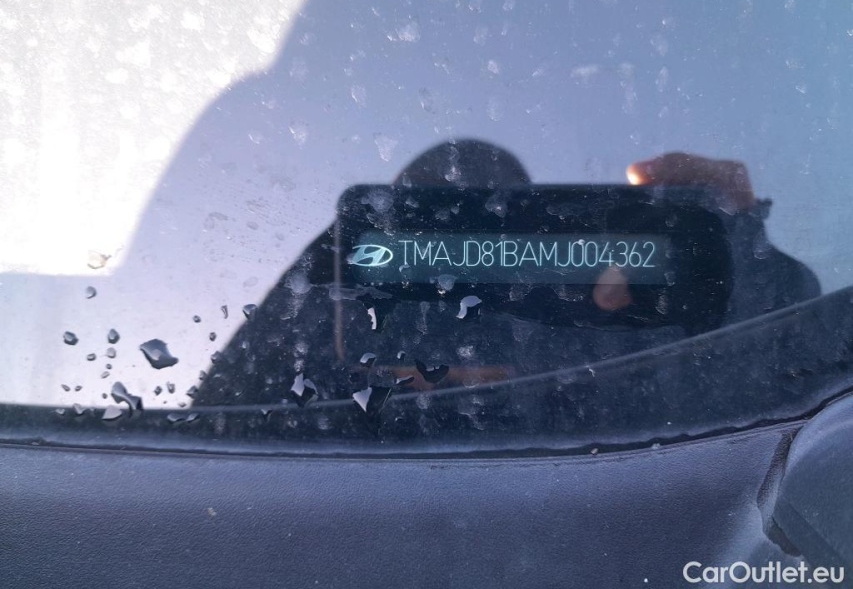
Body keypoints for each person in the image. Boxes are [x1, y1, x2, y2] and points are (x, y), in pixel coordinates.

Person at [192, 140, 819, 407]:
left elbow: (799, 366)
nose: (459, 304)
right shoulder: (305, 383)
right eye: (421, 243)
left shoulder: (603, 356)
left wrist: (739, 263)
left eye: (502, 256)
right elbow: (221, 407)